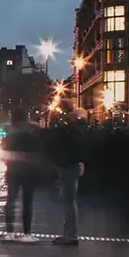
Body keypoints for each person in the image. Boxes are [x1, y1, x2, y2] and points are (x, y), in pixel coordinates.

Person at [45, 100, 86, 245]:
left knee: (69, 202)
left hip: (68, 166)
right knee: (69, 201)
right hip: (71, 165)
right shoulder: (77, 127)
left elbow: (58, 141)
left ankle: (71, 234)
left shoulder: (70, 128)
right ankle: (69, 233)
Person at [1, 106, 44, 242]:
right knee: (28, 201)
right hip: (29, 169)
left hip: (13, 169)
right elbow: (39, 149)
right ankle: (27, 234)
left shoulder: (9, 131)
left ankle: (9, 232)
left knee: (11, 200)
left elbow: (4, 149)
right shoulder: (34, 131)